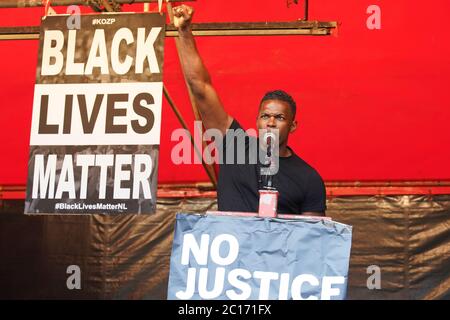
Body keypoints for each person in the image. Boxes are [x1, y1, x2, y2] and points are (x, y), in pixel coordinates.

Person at [173, 5, 326, 216]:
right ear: (257, 121)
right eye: (265, 116)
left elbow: (309, 241)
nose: (271, 122)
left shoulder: (308, 178)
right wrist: (184, 31)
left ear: (293, 126)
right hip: (231, 249)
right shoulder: (234, 147)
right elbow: (200, 87)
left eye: (279, 117)